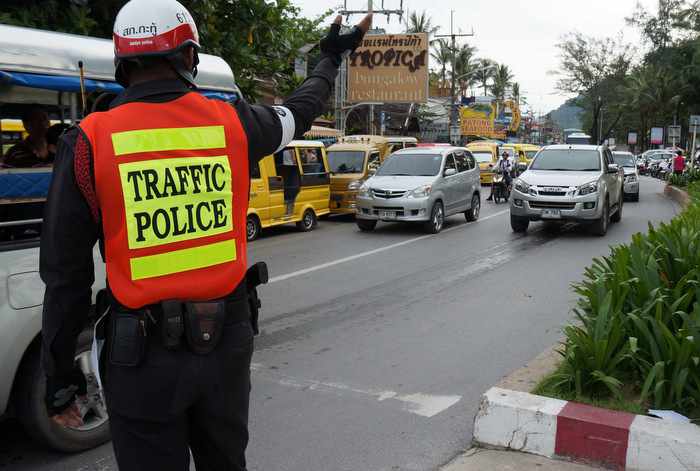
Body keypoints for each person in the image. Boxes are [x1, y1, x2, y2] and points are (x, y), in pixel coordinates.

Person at [40, 1, 372, 469]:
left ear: (121, 62)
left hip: (140, 360)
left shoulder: (87, 143)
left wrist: (60, 379)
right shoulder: (234, 124)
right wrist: (332, 56)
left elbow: (64, 275)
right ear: (190, 58)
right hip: (225, 348)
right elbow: (302, 108)